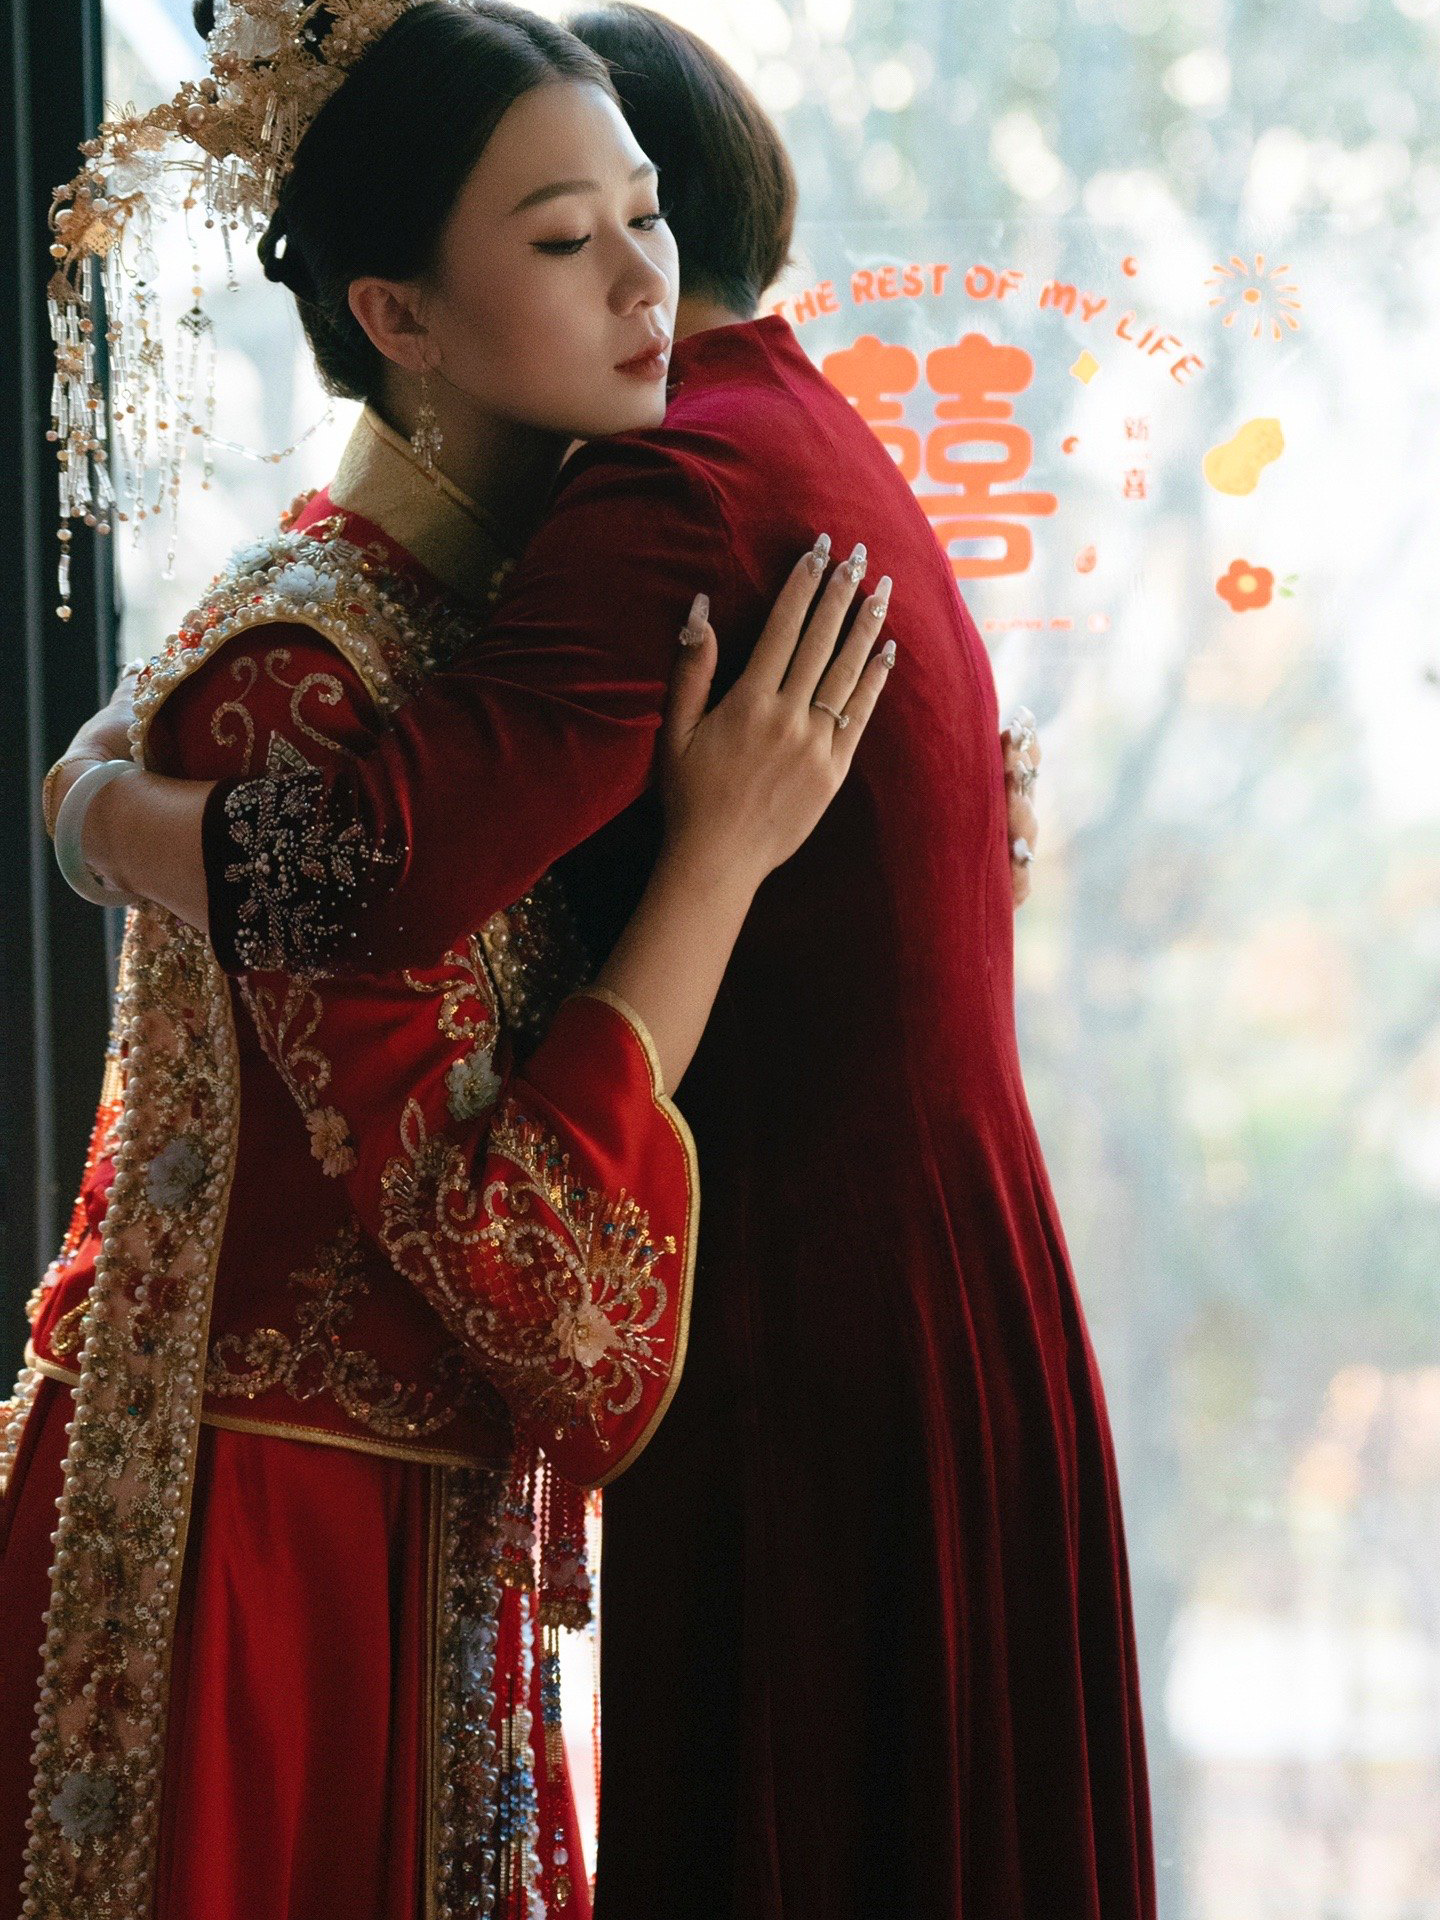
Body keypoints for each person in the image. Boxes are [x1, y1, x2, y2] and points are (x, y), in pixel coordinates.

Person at [39, 15, 1100, 1920]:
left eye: (645, 214)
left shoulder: (544, 594)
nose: (642, 284)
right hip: (280, 1533)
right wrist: (720, 864)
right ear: (399, 313)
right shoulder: (325, 670)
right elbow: (521, 1260)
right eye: (560, 238)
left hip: (446, 1518)